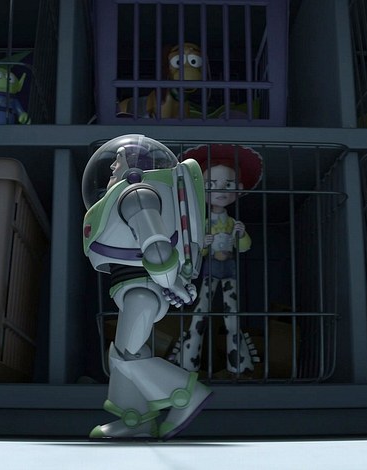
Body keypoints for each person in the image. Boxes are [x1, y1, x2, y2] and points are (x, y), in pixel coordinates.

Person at [81, 134, 212, 439]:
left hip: (143, 289)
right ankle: (135, 420)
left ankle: (185, 393)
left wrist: (171, 282)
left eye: (118, 161)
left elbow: (157, 247)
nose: (112, 167)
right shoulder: (134, 194)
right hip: (137, 289)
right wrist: (172, 282)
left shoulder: (137, 195)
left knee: (125, 355)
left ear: (134, 167)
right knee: (128, 354)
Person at [169, 144, 263, 375]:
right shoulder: (202, 223)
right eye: (211, 184)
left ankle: (239, 363)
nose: (221, 190)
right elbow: (196, 252)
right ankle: (187, 360)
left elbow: (244, 247)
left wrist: (241, 234)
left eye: (228, 185)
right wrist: (204, 244)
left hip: (229, 269)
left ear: (239, 189)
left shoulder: (232, 223)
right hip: (210, 269)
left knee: (232, 314)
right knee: (201, 310)